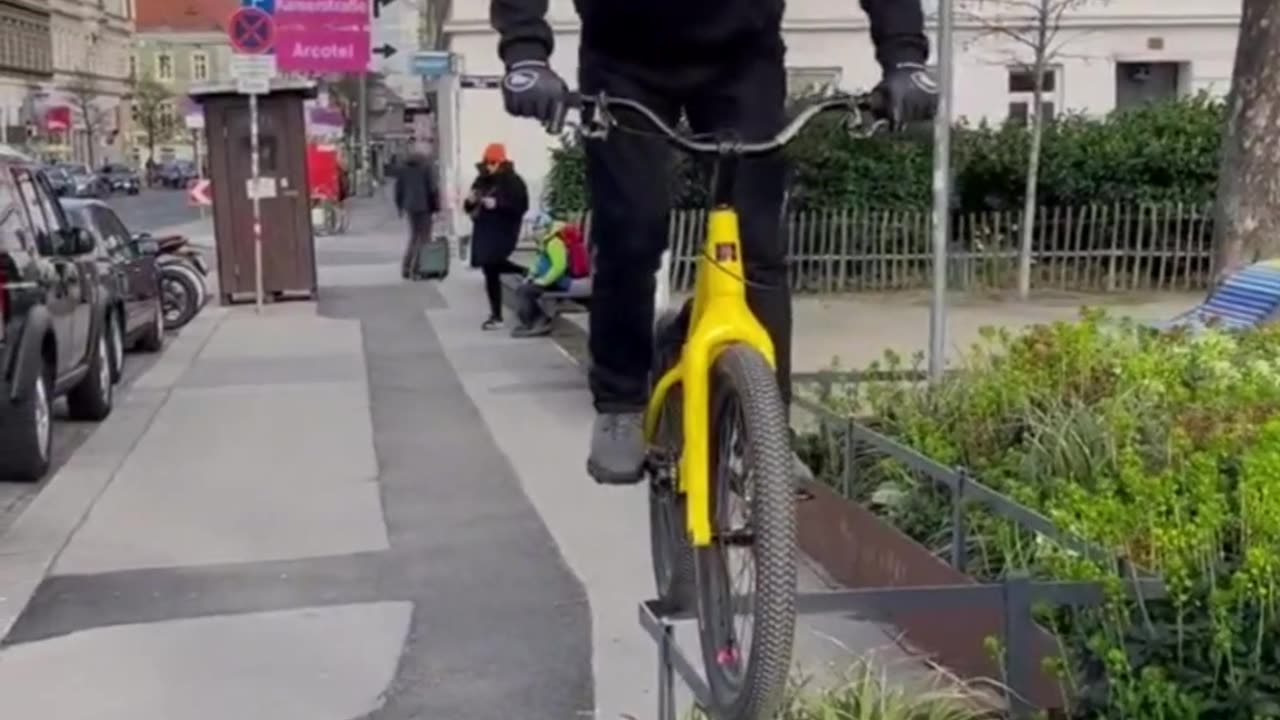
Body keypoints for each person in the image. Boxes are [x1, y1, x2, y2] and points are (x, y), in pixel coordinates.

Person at [492, 0, 940, 484]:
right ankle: (621, 402)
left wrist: (904, 59)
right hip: (623, 61)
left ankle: (766, 431)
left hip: (742, 62)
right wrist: (526, 55)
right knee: (632, 230)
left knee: (757, 244)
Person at [465, 142, 529, 330]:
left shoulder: (514, 181)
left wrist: (498, 204)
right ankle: (496, 314)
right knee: (489, 268)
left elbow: (520, 206)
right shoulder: (480, 180)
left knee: (492, 262)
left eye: (493, 162)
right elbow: (469, 207)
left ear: (501, 161)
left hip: (503, 229)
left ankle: (497, 315)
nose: (490, 166)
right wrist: (470, 201)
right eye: (487, 162)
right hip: (484, 228)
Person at [512, 213, 586, 338]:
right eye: (534, 229)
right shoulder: (544, 242)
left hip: (557, 281)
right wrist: (532, 275)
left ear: (546, 228)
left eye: (537, 229)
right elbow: (538, 263)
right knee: (522, 288)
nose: (535, 232)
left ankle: (541, 320)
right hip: (546, 280)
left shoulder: (554, 242)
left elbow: (559, 266)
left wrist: (544, 281)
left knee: (525, 291)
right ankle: (532, 322)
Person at [394, 149, 440, 279]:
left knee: (414, 237)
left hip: (410, 207)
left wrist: (399, 207)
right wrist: (436, 209)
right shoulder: (426, 167)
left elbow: (398, 190)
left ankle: (406, 267)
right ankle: (419, 268)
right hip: (424, 207)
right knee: (425, 238)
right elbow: (432, 189)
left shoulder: (403, 169)